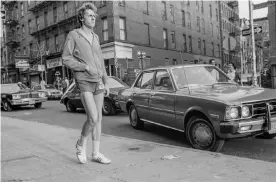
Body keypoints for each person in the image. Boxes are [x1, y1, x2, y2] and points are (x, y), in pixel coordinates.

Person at [62, 2, 110, 164]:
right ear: (82, 18)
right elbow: (66, 58)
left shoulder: (95, 37)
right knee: (93, 117)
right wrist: (84, 66)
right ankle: (80, 143)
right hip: (84, 82)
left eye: (94, 16)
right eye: (90, 15)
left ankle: (95, 153)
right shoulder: (74, 35)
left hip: (98, 82)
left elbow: (100, 60)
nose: (93, 18)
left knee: (99, 119)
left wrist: (106, 80)